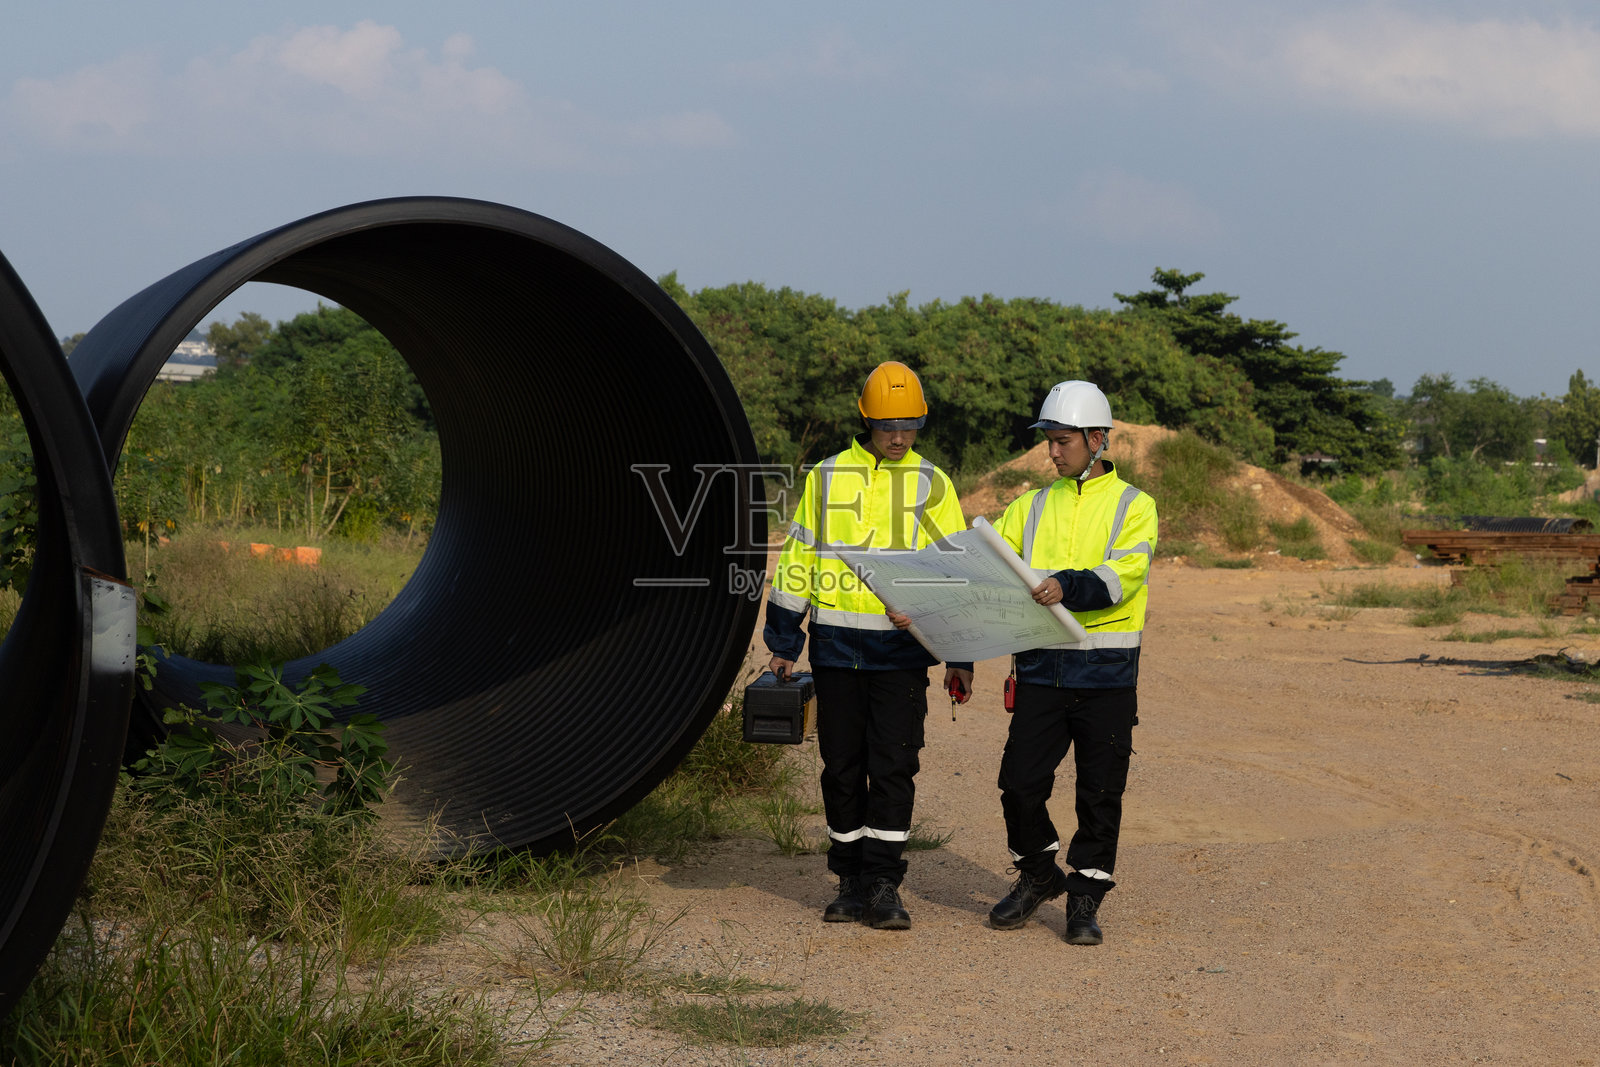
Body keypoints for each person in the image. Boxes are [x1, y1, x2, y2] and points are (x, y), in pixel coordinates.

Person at [765, 361, 974, 930]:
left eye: (909, 426)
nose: (899, 437)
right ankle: (849, 881)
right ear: (866, 421)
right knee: (841, 767)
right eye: (887, 426)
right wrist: (783, 641)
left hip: (901, 656)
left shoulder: (933, 482)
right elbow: (799, 559)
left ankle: (883, 883)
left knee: (893, 767)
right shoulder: (827, 477)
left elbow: (955, 571)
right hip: (835, 650)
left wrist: (959, 653)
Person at [986, 380, 1157, 945]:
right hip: (1040, 670)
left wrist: (1067, 585)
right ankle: (1039, 874)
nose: (1053, 452)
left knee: (1100, 793)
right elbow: (991, 567)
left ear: (1097, 439)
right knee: (1019, 784)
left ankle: (1084, 899)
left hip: (1107, 673)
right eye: (1050, 441)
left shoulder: (1135, 506)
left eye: (1063, 441)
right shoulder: (1029, 506)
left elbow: (1124, 574)